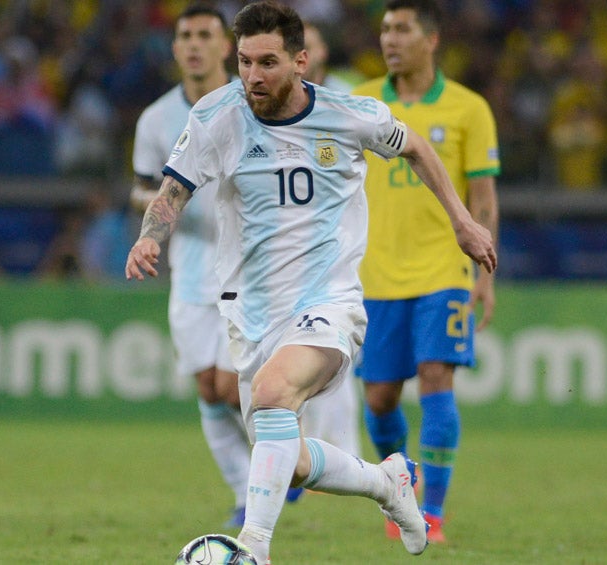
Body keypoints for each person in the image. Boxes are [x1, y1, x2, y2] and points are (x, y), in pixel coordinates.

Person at [124, 2, 496, 562]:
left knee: (275, 394)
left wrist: (462, 221)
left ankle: (253, 548)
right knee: (289, 460)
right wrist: (151, 235)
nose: (253, 76)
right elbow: (172, 190)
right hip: (250, 311)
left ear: (301, 61)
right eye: (246, 62)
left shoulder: (348, 114)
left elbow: (417, 146)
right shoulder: (214, 116)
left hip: (329, 300)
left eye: (268, 62)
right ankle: (386, 483)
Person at [350, 0, 501, 545]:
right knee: (379, 400)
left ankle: (431, 513)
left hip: (443, 271)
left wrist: (484, 273)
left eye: (402, 29)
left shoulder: (468, 108)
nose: (389, 38)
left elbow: (483, 199)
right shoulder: (360, 100)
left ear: (431, 39)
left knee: (437, 379)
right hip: (374, 278)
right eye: (385, 29)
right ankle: (403, 489)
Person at [130, 2, 255, 528]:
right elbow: (139, 187)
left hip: (249, 266)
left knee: (233, 388)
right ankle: (246, 491)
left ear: (226, 46)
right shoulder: (156, 118)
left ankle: (276, 469)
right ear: (176, 47)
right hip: (190, 264)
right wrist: (166, 201)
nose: (195, 44)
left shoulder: (251, 103)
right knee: (207, 387)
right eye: (185, 35)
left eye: (206, 34)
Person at [297, 19, 362, 462]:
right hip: (286, 254)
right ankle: (301, 458)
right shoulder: (267, 105)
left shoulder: (350, 99)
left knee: (331, 358)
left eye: (309, 44)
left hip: (339, 249)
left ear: (321, 53)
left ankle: (341, 455)